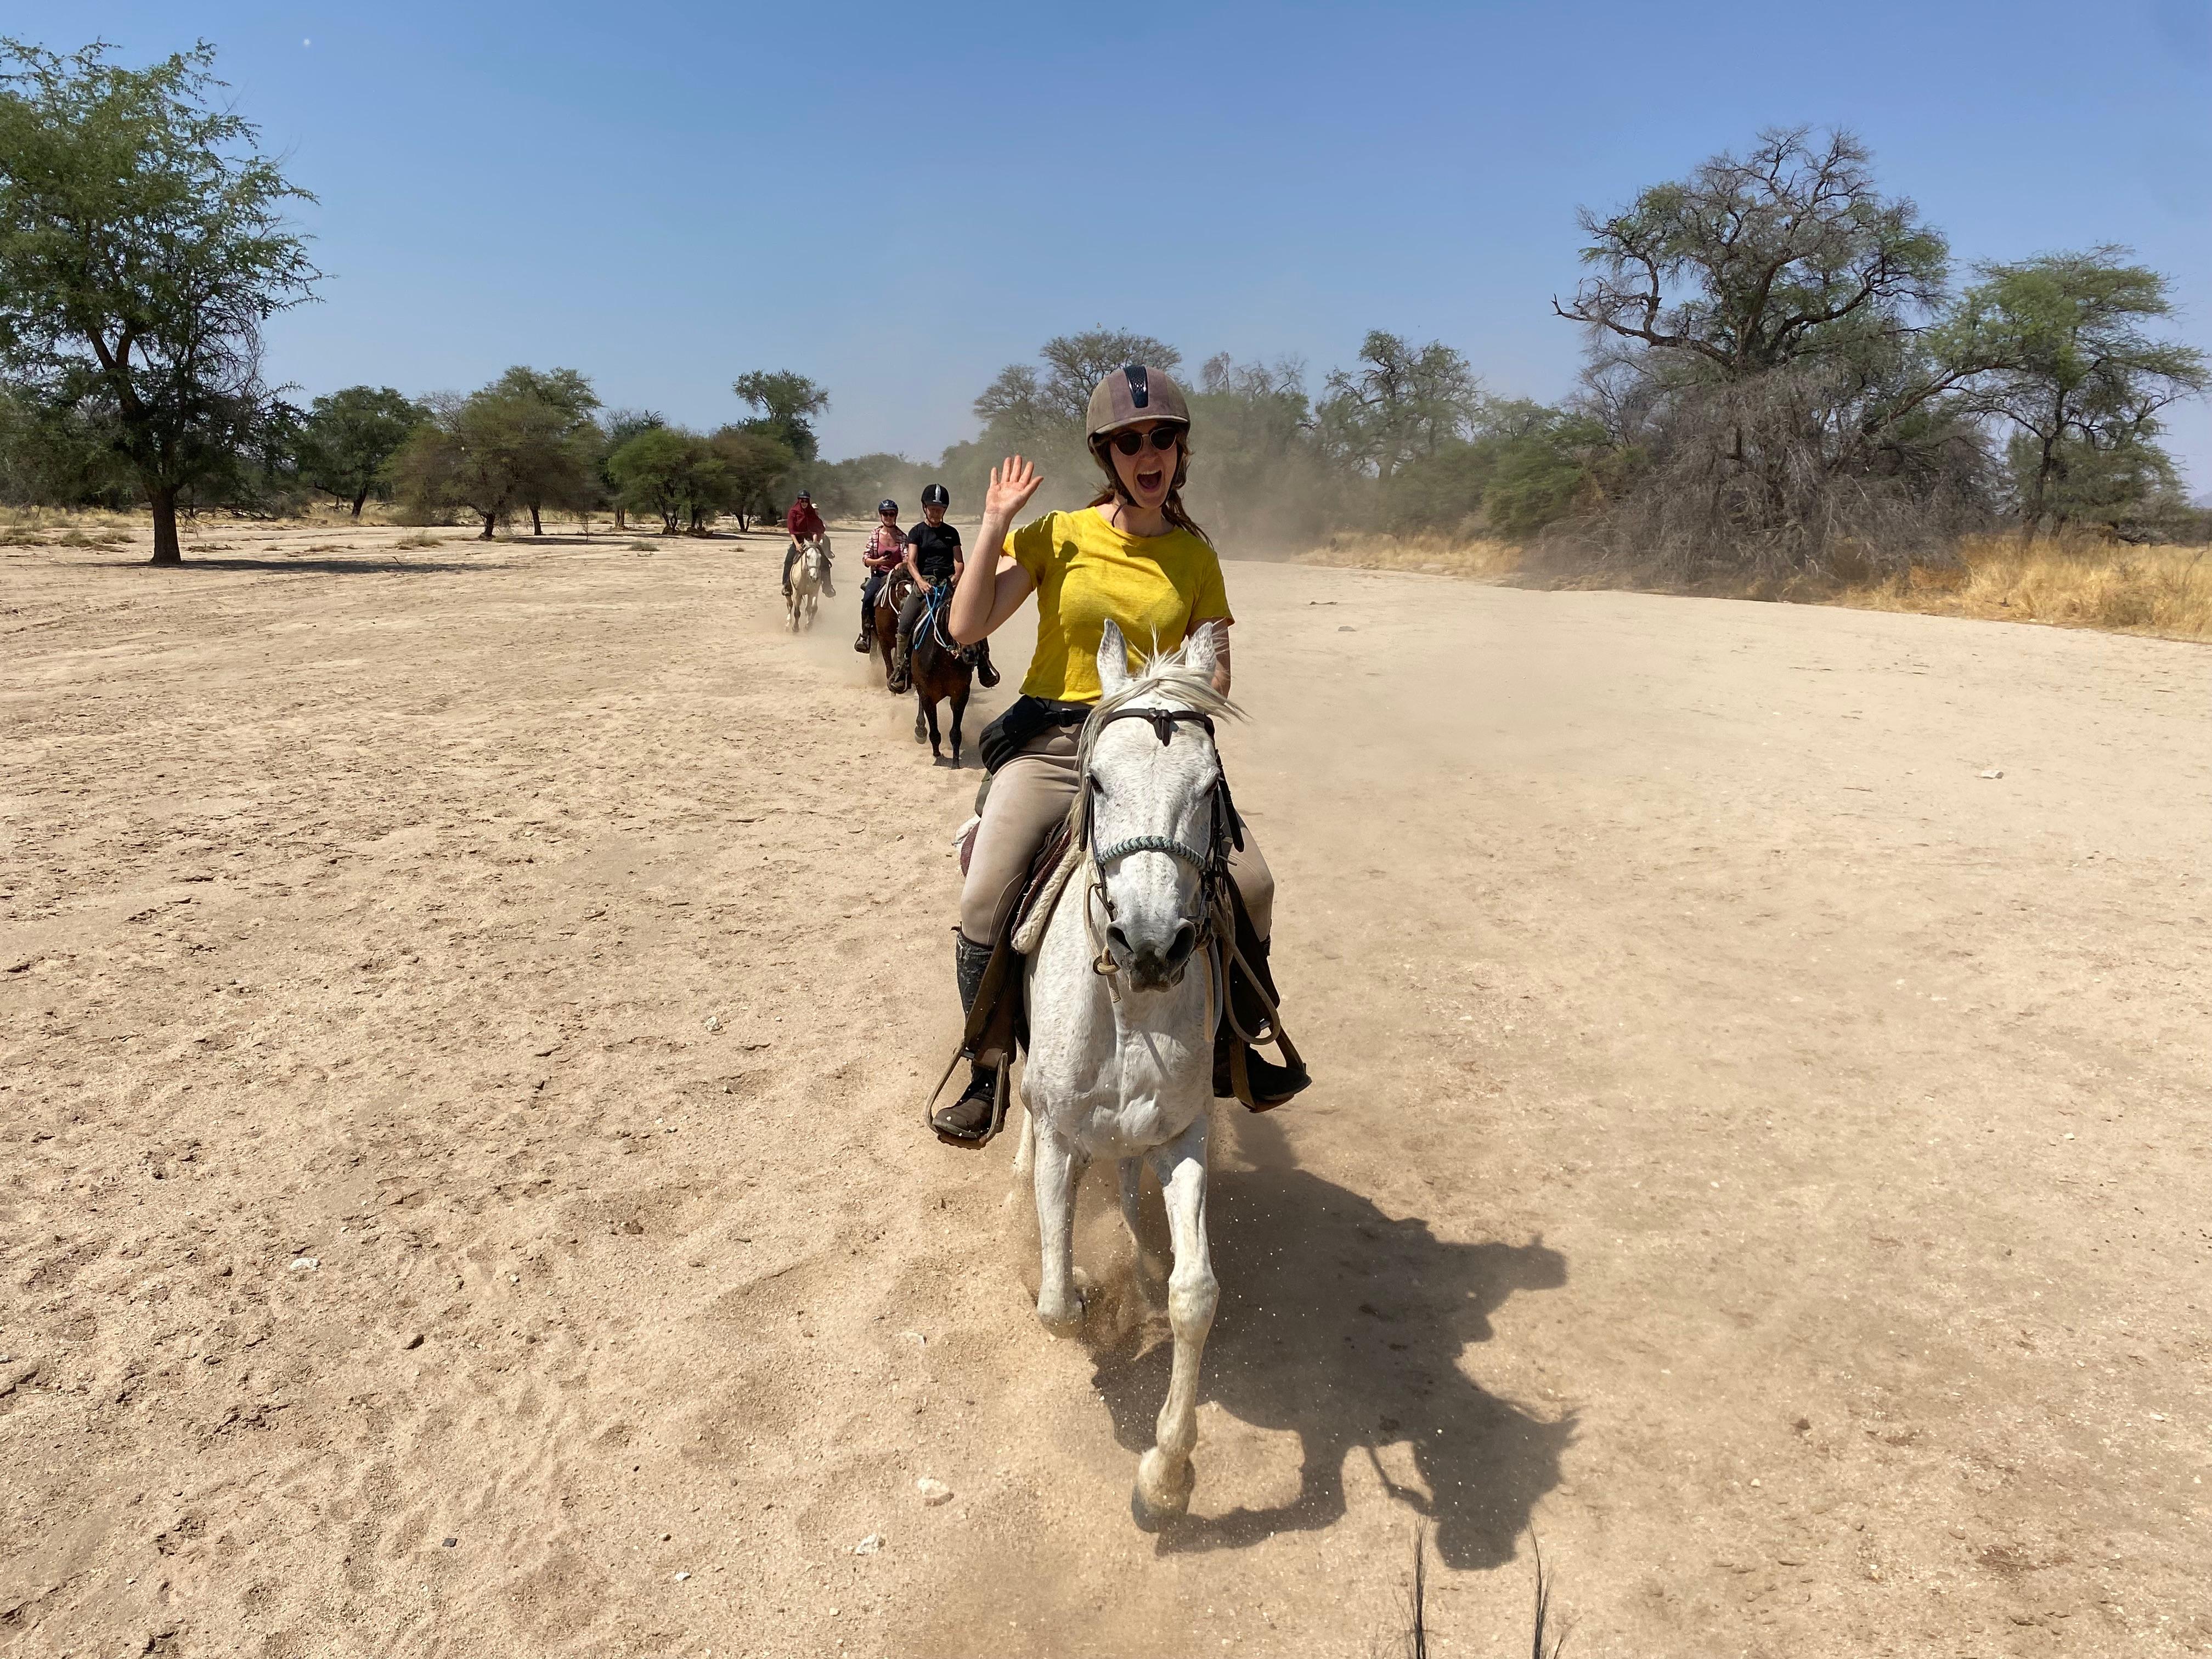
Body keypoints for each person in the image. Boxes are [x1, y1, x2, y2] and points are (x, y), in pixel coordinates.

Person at [931, 364, 1308, 1143]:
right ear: (1107, 456)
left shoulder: (1195, 560)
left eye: (1163, 438)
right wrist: (994, 523)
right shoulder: (1060, 535)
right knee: (982, 900)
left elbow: (1219, 668)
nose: (1150, 451)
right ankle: (987, 1067)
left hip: (1156, 745)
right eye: (1130, 441)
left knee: (1255, 884)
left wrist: (1165, 703)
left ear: (1180, 452)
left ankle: (1236, 1045)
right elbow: (966, 629)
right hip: (1056, 744)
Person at [889, 484, 997, 691]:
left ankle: (984, 665)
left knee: (974, 618)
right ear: (924, 508)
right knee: (905, 624)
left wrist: (957, 577)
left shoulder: (951, 533)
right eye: (932, 508)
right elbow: (911, 561)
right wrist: (920, 582)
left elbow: (959, 562)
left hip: (948, 584)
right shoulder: (917, 532)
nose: (936, 512)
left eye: (940, 509)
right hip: (924, 585)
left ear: (945, 510)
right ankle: (902, 669)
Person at [855, 498, 906, 652]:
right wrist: (878, 561)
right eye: (885, 514)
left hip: (899, 577)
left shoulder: (902, 536)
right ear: (880, 515)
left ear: (896, 515)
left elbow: (908, 556)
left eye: (891, 514)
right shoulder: (875, 535)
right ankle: (866, 635)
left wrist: (901, 564)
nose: (888, 517)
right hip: (879, 575)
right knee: (869, 597)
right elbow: (866, 559)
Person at [782, 489, 826, 597]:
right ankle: (787, 585)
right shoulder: (793, 512)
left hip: (811, 541)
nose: (805, 503)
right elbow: (792, 531)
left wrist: (815, 543)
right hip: (798, 541)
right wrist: (797, 545)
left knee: (825, 561)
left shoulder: (811, 512)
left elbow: (816, 529)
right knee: (788, 561)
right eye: (803, 501)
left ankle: (828, 586)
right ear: (799, 501)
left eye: (806, 501)